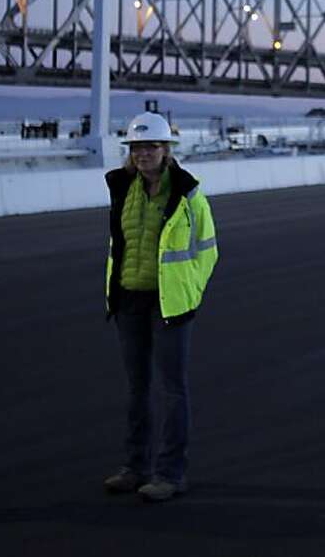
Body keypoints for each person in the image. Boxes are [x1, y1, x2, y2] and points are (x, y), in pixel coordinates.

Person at [103, 113, 218, 502]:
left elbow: (208, 249)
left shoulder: (187, 194)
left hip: (170, 304)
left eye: (150, 146)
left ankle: (169, 473)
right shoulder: (123, 188)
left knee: (172, 390)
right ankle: (135, 468)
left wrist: (190, 291)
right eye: (136, 147)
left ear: (166, 150)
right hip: (129, 300)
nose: (143, 154)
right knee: (137, 390)